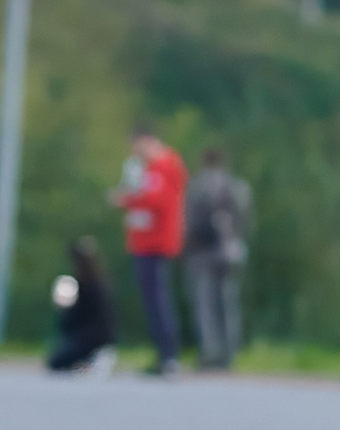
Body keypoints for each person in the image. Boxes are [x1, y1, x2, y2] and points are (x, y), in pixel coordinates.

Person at [111, 124, 186, 376]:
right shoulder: (152, 168)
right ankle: (163, 356)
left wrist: (125, 199)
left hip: (156, 243)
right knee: (153, 301)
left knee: (158, 301)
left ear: (145, 141)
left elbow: (155, 200)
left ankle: (169, 356)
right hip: (145, 242)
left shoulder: (163, 167)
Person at [182, 147, 252, 370]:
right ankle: (228, 352)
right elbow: (246, 220)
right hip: (228, 252)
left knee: (205, 304)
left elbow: (187, 220)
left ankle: (210, 352)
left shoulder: (196, 187)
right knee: (228, 302)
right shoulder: (238, 187)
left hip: (201, 252)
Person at [45, 237, 119, 373]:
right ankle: (93, 360)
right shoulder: (101, 284)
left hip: (89, 338)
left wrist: (63, 309)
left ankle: (89, 361)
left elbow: (70, 320)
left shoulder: (83, 286)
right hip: (104, 338)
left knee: (56, 362)